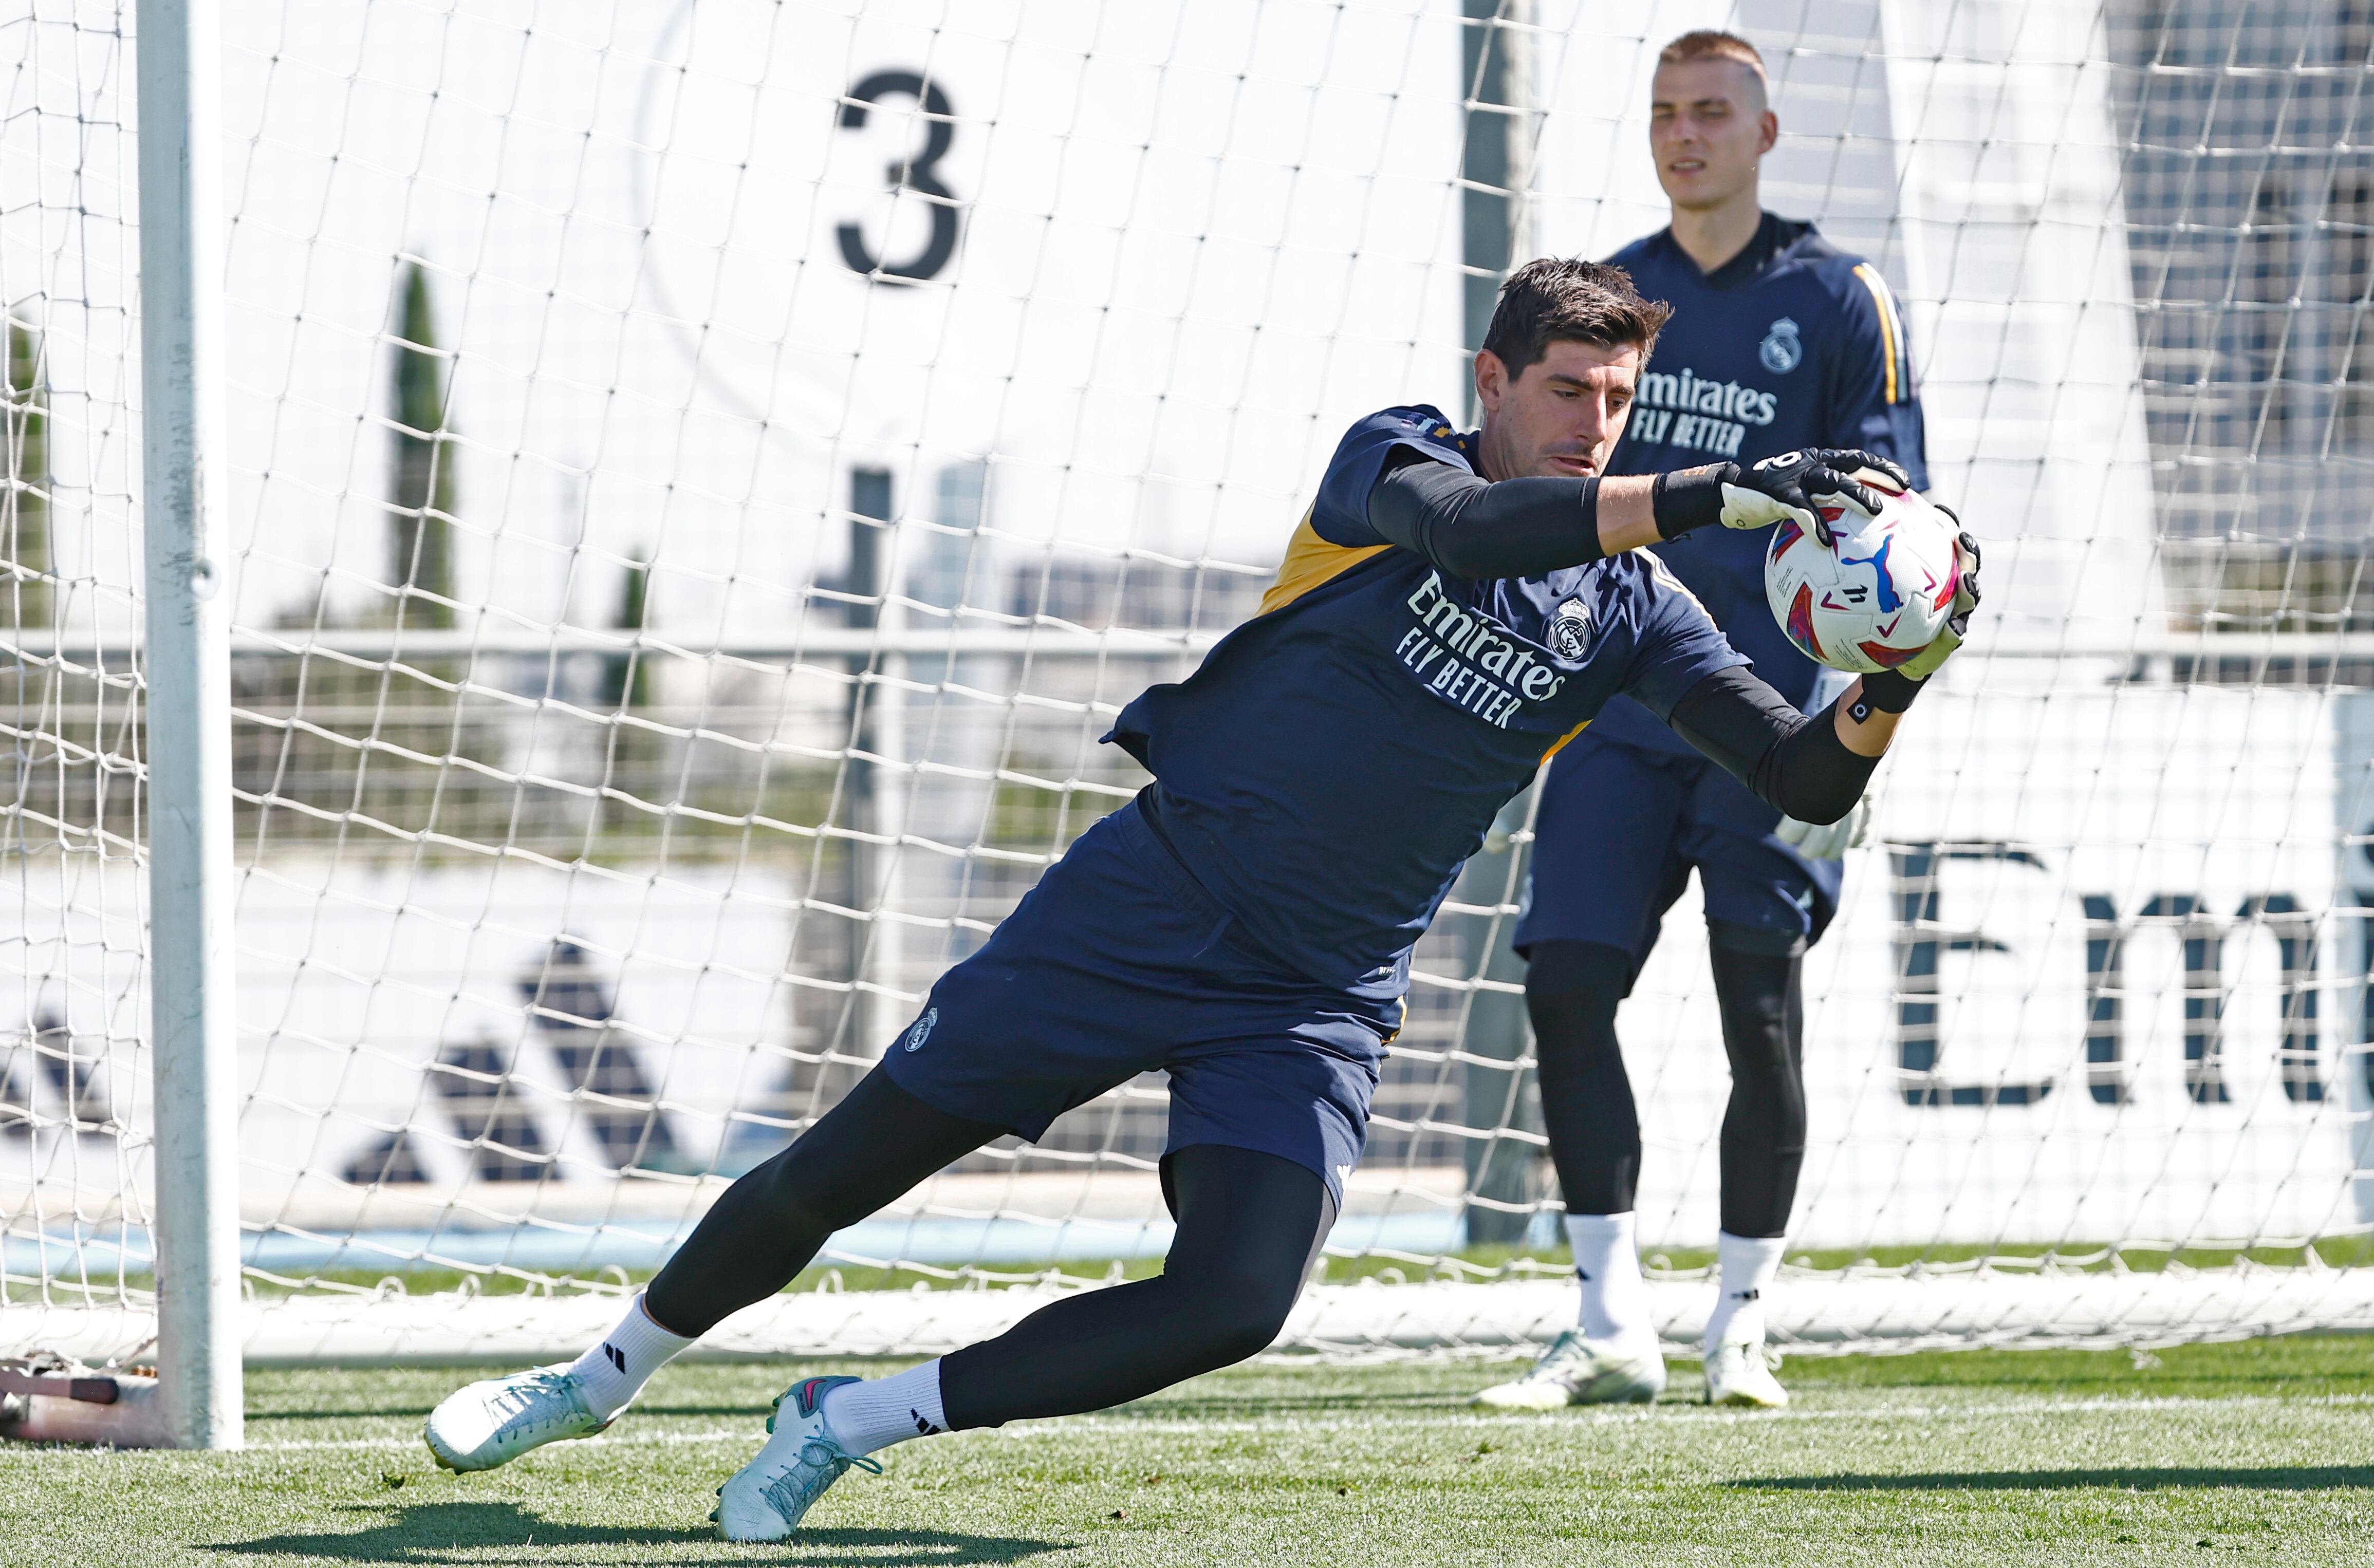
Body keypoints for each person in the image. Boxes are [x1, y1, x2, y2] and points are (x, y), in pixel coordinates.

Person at [418, 258, 1976, 1541]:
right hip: (1143, 907)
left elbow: (1798, 778)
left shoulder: (1635, 606)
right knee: (852, 1162)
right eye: (1568, 390)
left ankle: (851, 1420)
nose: (1594, 422)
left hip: (1313, 992)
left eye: (1619, 399)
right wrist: (1710, 487)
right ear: (1493, 381)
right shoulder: (1395, 459)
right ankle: (602, 1372)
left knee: (1236, 1297)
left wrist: (1895, 675)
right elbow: (1471, 533)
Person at [1471, 30, 1933, 1416]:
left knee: (1758, 1007)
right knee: (1563, 984)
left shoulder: (1837, 295)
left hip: (1772, 716)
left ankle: (1741, 1321)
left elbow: (1889, 510)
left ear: (1764, 131)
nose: (1685, 134)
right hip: (1617, 707)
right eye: (1666, 113)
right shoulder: (1615, 304)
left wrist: (1866, 666)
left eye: (1711, 112)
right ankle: (1607, 1321)